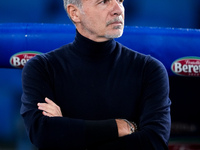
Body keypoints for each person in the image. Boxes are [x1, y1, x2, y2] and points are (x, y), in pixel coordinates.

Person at [20, 0, 171, 149]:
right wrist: (118, 127)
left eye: (120, 0)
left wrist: (67, 131)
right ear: (75, 13)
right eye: (103, 2)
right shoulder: (42, 68)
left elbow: (154, 142)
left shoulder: (149, 69)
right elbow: (43, 133)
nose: (118, 9)